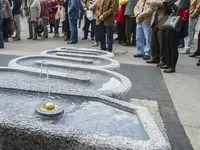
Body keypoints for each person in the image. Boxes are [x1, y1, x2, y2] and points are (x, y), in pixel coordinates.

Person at [162, 0, 190, 73]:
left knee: (173, 46)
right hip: (170, 23)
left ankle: (172, 67)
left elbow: (180, 10)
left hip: (178, 26)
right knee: (168, 45)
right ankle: (168, 63)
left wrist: (171, 3)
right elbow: (168, 12)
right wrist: (165, 4)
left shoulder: (185, 1)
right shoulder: (174, 0)